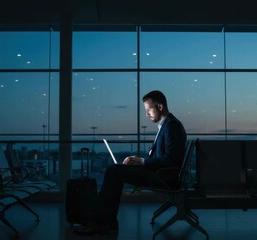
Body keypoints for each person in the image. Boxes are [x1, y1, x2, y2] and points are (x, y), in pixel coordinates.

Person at [74, 90, 187, 235]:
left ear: (160, 107)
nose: (147, 114)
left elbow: (171, 160)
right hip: (159, 173)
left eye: (148, 110)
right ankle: (106, 221)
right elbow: (166, 158)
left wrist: (142, 161)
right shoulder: (168, 125)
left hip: (163, 177)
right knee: (115, 169)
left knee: (114, 171)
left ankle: (102, 222)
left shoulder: (172, 126)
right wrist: (140, 161)